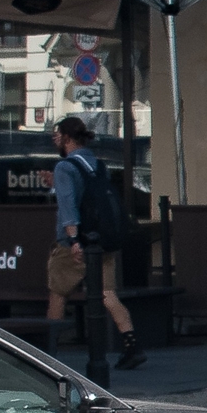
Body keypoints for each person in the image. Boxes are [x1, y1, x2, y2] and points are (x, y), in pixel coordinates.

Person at [46, 115, 145, 369]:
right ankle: (131, 344)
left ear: (67, 138)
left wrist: (73, 240)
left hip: (74, 244)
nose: (55, 140)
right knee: (108, 294)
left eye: (57, 136)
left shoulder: (65, 167)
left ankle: (47, 353)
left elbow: (68, 207)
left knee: (58, 294)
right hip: (101, 241)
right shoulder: (95, 164)